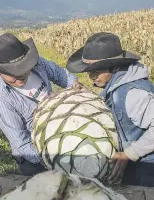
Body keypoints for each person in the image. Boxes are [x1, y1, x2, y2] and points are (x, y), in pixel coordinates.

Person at [0, 33, 82, 176]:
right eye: (12, 72)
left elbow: (60, 74)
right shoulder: (0, 101)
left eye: (23, 68)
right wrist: (54, 160)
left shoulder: (37, 63)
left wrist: (76, 86)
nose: (20, 75)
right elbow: (22, 145)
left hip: (58, 137)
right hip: (35, 160)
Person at [66, 32, 154, 187]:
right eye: (89, 71)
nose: (91, 76)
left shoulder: (134, 94)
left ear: (114, 67)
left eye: (96, 70)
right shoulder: (117, 85)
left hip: (146, 171)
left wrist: (129, 154)